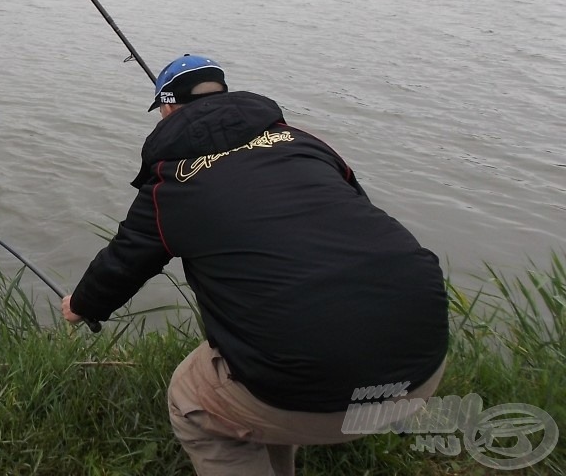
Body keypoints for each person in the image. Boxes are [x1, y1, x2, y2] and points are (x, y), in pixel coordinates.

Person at [62, 54, 448, 476]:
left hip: (319, 396)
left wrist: (80, 306)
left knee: (189, 400)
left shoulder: (171, 184)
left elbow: (123, 262)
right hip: (425, 365)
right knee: (276, 355)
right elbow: (355, 210)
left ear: (168, 109)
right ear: (222, 93)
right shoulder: (306, 143)